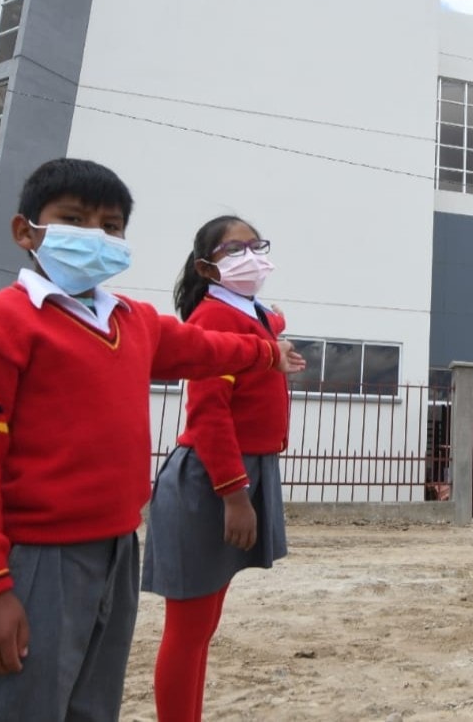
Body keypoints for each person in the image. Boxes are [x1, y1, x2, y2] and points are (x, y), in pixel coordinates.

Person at [0, 159, 305, 722]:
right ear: (26, 231)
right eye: (74, 220)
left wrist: (268, 353)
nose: (95, 236)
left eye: (111, 226)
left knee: (93, 705)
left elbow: (205, 350)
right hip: (37, 554)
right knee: (20, 705)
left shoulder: (129, 321)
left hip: (118, 546)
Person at [143, 216, 292, 722]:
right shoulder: (214, 319)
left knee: (203, 627)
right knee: (188, 630)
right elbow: (209, 414)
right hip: (212, 479)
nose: (251, 257)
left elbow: (268, 326)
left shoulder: (251, 315)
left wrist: (276, 328)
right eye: (235, 249)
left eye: (256, 246)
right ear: (207, 268)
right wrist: (234, 494)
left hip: (242, 470)